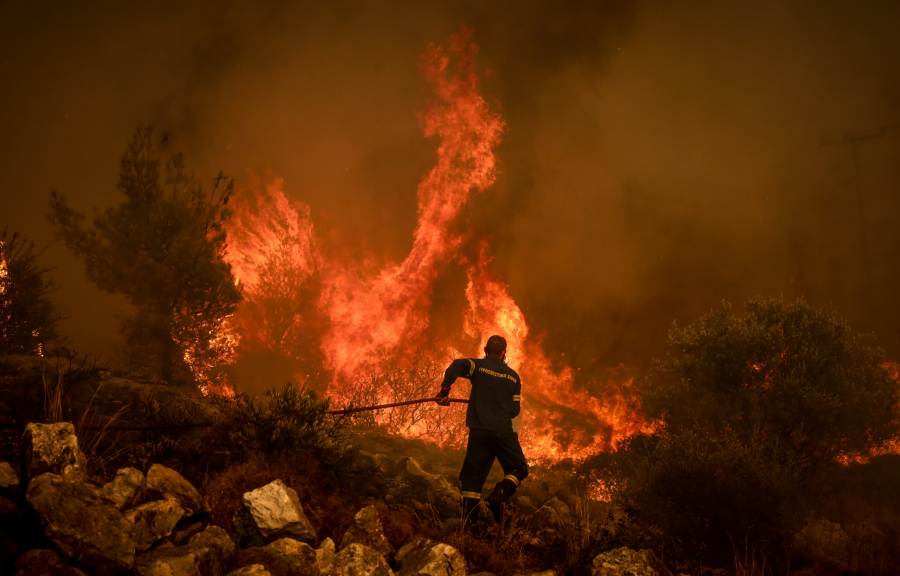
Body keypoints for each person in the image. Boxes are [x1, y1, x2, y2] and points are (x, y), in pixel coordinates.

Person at [435, 335, 529, 522]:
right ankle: (499, 494)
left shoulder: (478, 366)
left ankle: (468, 522)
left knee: (473, 479)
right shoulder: (513, 377)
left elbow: (456, 366)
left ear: (485, 350)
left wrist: (444, 392)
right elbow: (514, 410)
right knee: (519, 469)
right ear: (504, 353)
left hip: (479, 433)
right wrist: (498, 407)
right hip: (502, 432)